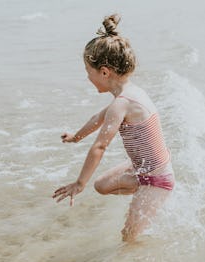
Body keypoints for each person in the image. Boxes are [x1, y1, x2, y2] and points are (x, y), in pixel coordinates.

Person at [52, 14, 174, 242]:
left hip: (157, 178)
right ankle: (142, 189)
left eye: (89, 73)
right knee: (102, 185)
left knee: (129, 238)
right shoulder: (128, 95)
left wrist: (80, 183)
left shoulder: (123, 103)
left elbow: (100, 146)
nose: (88, 78)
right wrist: (76, 137)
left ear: (105, 72)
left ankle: (150, 201)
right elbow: (99, 117)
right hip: (142, 167)